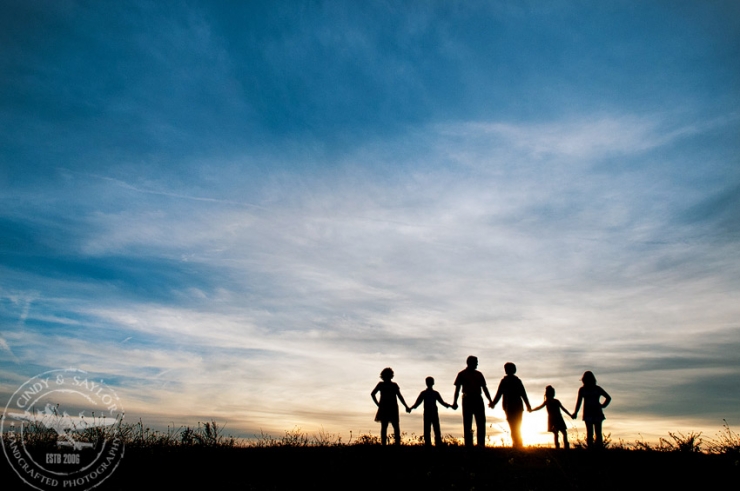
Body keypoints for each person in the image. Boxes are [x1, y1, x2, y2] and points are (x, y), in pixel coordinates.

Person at [452, 356, 493, 447]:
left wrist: (490, 400)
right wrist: (455, 402)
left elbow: (484, 388)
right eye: (476, 362)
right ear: (470, 363)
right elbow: (457, 389)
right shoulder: (462, 374)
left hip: (478, 398)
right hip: (467, 399)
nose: (477, 364)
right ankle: (468, 444)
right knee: (467, 422)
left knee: (481, 422)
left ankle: (481, 444)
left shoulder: (479, 374)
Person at [490, 362, 531, 448]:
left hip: (514, 406)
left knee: (515, 425)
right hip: (510, 406)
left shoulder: (513, 381)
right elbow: (499, 393)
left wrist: (493, 403)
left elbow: (523, 394)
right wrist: (493, 403)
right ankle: (517, 443)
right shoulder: (509, 381)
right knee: (515, 425)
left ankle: (517, 443)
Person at [408, 376, 452, 446]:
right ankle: (431, 445)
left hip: (432, 413)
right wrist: (411, 408)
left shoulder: (431, 393)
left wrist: (450, 406)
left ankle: (436, 445)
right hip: (429, 413)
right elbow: (417, 404)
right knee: (430, 430)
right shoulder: (427, 393)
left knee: (434, 430)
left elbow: (442, 403)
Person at [572, 370, 611, 449]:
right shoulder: (584, 389)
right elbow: (579, 402)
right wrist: (575, 412)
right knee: (593, 432)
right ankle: (592, 449)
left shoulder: (594, 389)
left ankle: (596, 449)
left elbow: (608, 398)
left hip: (595, 412)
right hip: (589, 413)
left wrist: (603, 405)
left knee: (595, 432)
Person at [371, 367, 409, 445]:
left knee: (391, 426)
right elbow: (372, 394)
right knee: (388, 427)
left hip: (391, 407)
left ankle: (394, 444)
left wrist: (406, 406)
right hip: (386, 407)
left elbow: (400, 396)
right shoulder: (383, 384)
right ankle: (387, 444)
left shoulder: (392, 385)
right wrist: (378, 404)